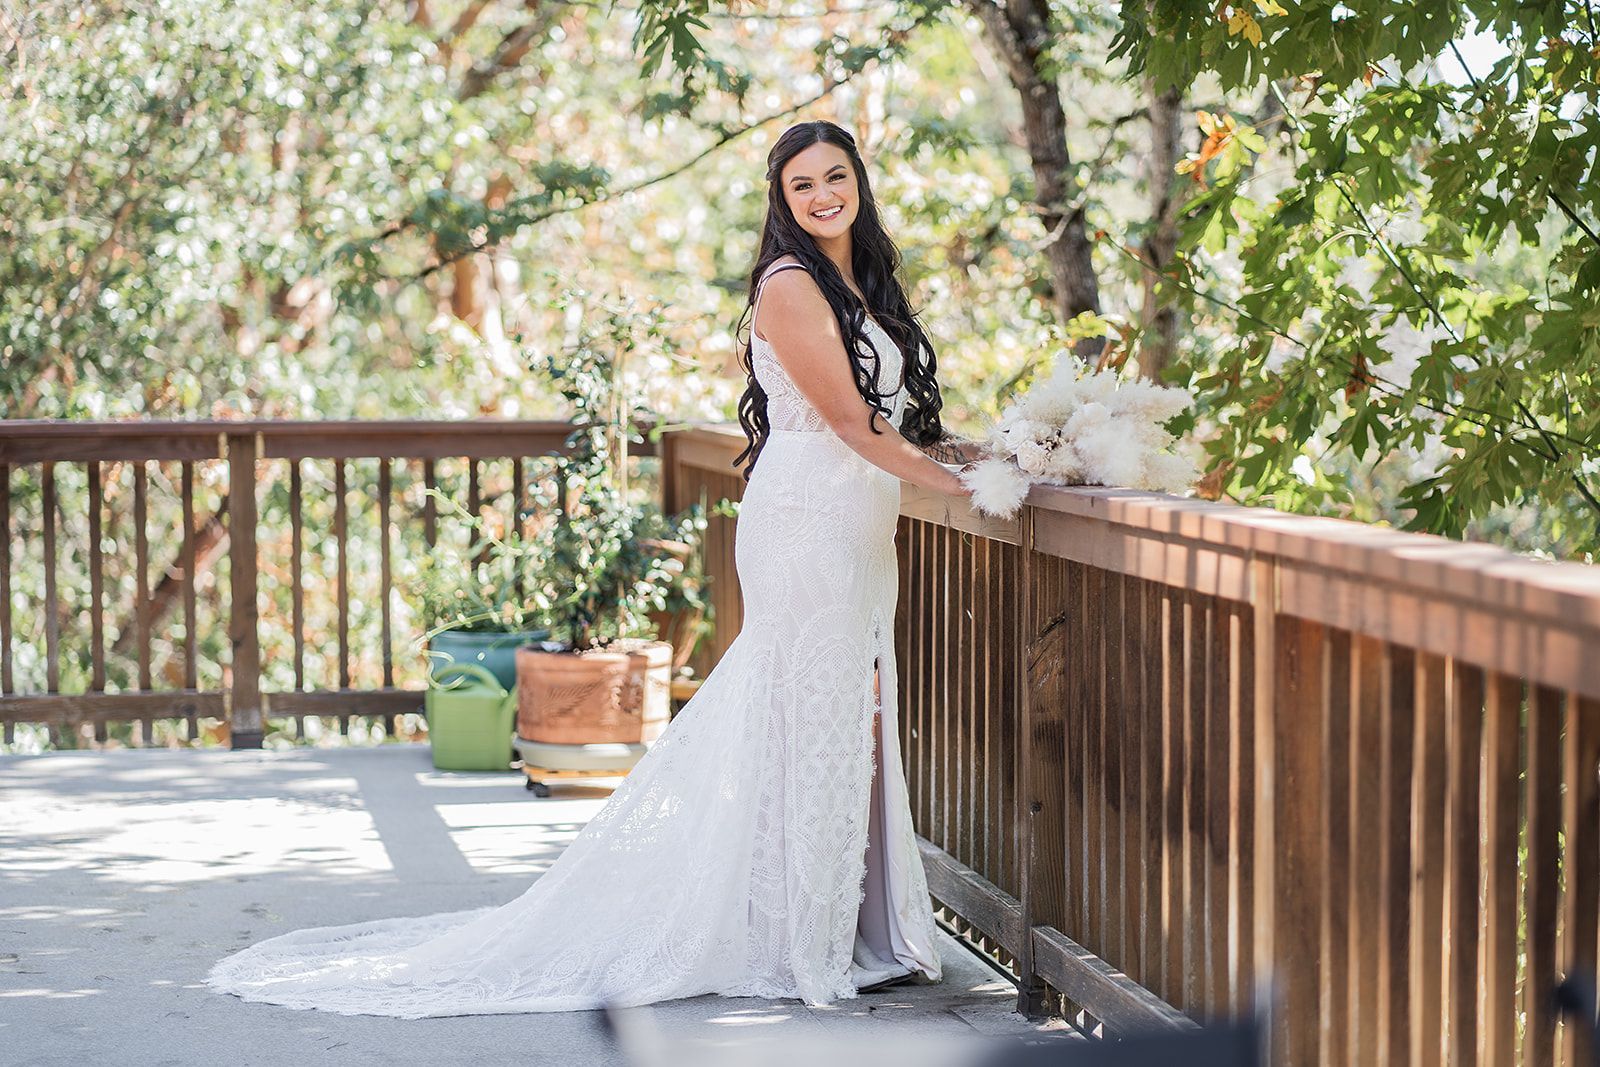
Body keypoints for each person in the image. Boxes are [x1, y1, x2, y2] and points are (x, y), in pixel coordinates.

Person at [205, 119, 980, 1019]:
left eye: (835, 177)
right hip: (808, 519)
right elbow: (850, 425)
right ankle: (792, 934)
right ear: (782, 199)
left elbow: (896, 421)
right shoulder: (790, 283)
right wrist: (964, 494)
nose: (821, 196)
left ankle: (844, 923)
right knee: (803, 711)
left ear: (858, 181)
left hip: (859, 524)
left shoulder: (860, 282)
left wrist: (986, 458)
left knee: (847, 711)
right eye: (801, 184)